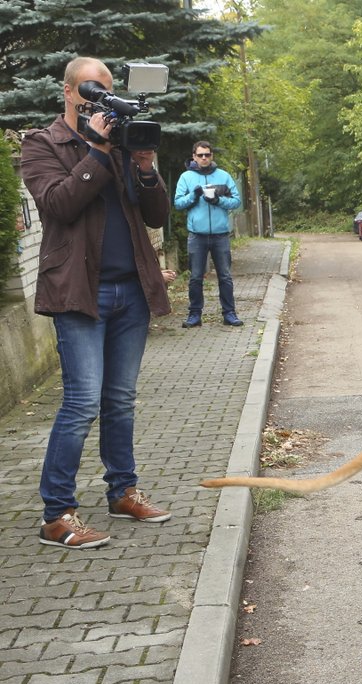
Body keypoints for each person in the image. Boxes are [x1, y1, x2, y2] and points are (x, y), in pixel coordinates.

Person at [21, 56, 177, 550]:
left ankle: (122, 491)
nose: (100, 98)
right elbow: (59, 204)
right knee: (82, 402)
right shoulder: (42, 144)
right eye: (92, 89)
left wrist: (146, 169)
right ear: (69, 92)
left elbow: (155, 217)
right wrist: (95, 148)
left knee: (120, 400)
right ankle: (56, 514)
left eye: (107, 89)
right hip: (78, 294)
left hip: (130, 290)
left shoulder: (124, 143)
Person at [173, 140, 242, 328]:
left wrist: (218, 200)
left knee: (225, 276)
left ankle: (229, 313)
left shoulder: (224, 176)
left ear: (212, 156)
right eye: (200, 155)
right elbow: (178, 203)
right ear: (194, 157)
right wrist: (194, 196)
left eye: (207, 155)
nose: (204, 158)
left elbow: (236, 201)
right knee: (196, 276)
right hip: (197, 235)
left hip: (220, 234)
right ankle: (194, 315)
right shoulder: (186, 177)